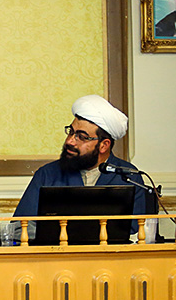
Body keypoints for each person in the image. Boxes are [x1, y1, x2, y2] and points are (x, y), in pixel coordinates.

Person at [12, 95, 146, 240]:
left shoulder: (128, 177)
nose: (70, 141)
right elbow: (19, 228)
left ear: (103, 145)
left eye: (81, 137)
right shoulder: (47, 174)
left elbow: (136, 232)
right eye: (71, 132)